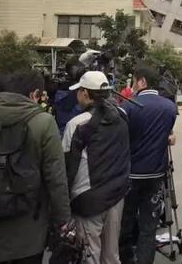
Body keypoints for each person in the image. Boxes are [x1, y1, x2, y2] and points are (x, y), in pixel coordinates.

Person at [0, 71, 70, 264]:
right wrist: (63, 222)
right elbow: (56, 178)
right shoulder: (43, 123)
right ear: (35, 94)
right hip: (28, 232)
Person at [63, 71, 130, 264]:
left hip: (88, 200)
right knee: (111, 254)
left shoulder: (77, 124)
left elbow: (67, 167)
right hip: (117, 195)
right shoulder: (122, 115)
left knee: (89, 254)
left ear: (85, 93)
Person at [119, 64, 177, 264]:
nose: (133, 86)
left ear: (142, 81)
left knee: (124, 223)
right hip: (156, 175)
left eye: (134, 81)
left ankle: (125, 258)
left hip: (130, 175)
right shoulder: (170, 107)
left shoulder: (128, 106)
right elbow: (165, 134)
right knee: (149, 227)